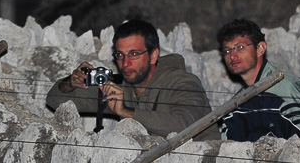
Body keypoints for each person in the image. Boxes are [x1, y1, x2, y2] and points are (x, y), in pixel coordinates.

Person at [46, 19, 218, 139]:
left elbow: (185, 125)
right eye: (120, 55)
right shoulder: (122, 87)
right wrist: (71, 83)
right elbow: (55, 101)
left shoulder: (183, 82)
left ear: (153, 55)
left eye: (134, 54)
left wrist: (127, 112)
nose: (125, 63)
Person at [216, 19, 300, 143]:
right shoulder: (237, 105)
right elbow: (229, 150)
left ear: (260, 48)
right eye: (227, 51)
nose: (232, 56)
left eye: (240, 47)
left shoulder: (285, 91)